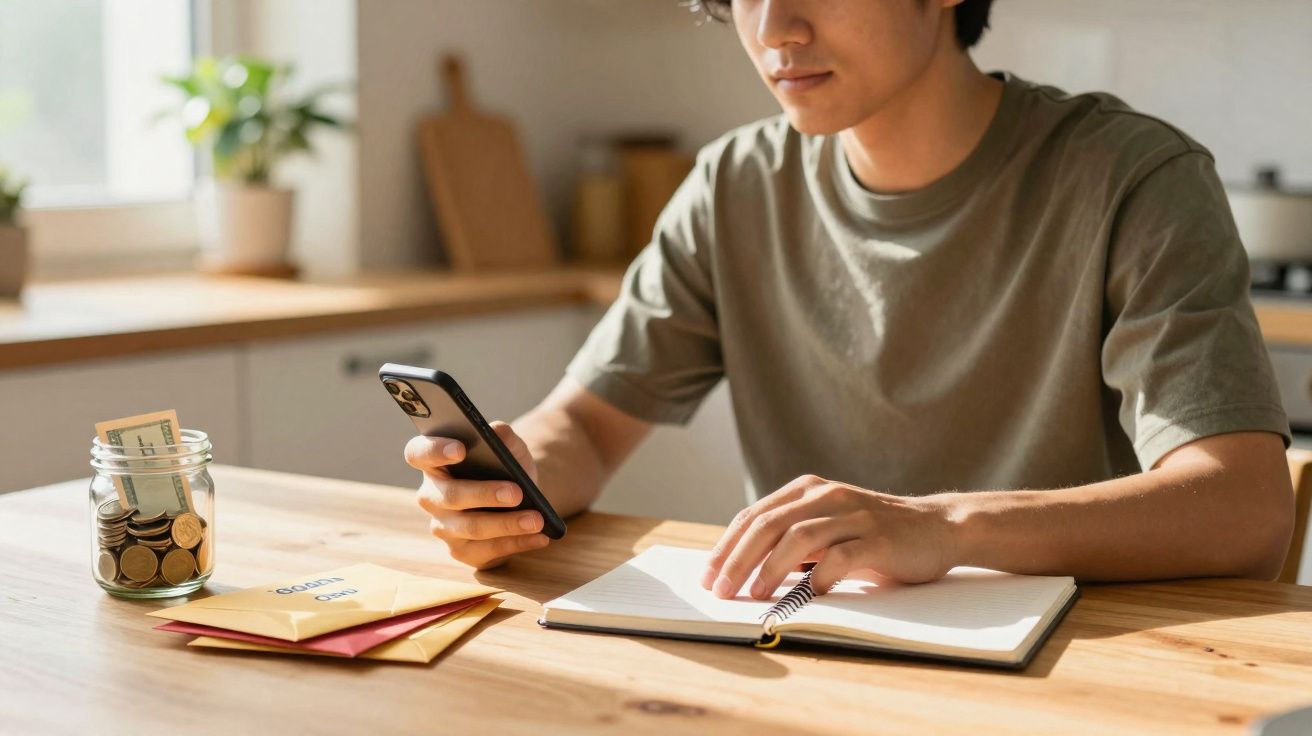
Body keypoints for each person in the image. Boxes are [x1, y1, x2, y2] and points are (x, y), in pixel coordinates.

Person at [404, 0, 1295, 599]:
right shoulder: (734, 186)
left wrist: (941, 526)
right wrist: (511, 486)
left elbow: (1245, 508)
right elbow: (589, 427)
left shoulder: (1131, 177)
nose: (774, 28)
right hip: (808, 654)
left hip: (1073, 664)